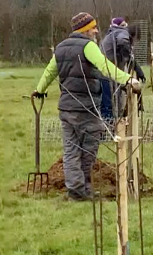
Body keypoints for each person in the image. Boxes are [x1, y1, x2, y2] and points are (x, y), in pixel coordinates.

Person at [32, 12, 140, 201]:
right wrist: (127, 79)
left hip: (67, 109)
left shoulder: (61, 48)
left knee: (71, 149)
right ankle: (82, 189)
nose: (96, 31)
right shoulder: (88, 46)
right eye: (93, 28)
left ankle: (76, 190)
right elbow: (105, 66)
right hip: (86, 107)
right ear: (85, 30)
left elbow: (49, 72)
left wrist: (39, 90)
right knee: (88, 150)